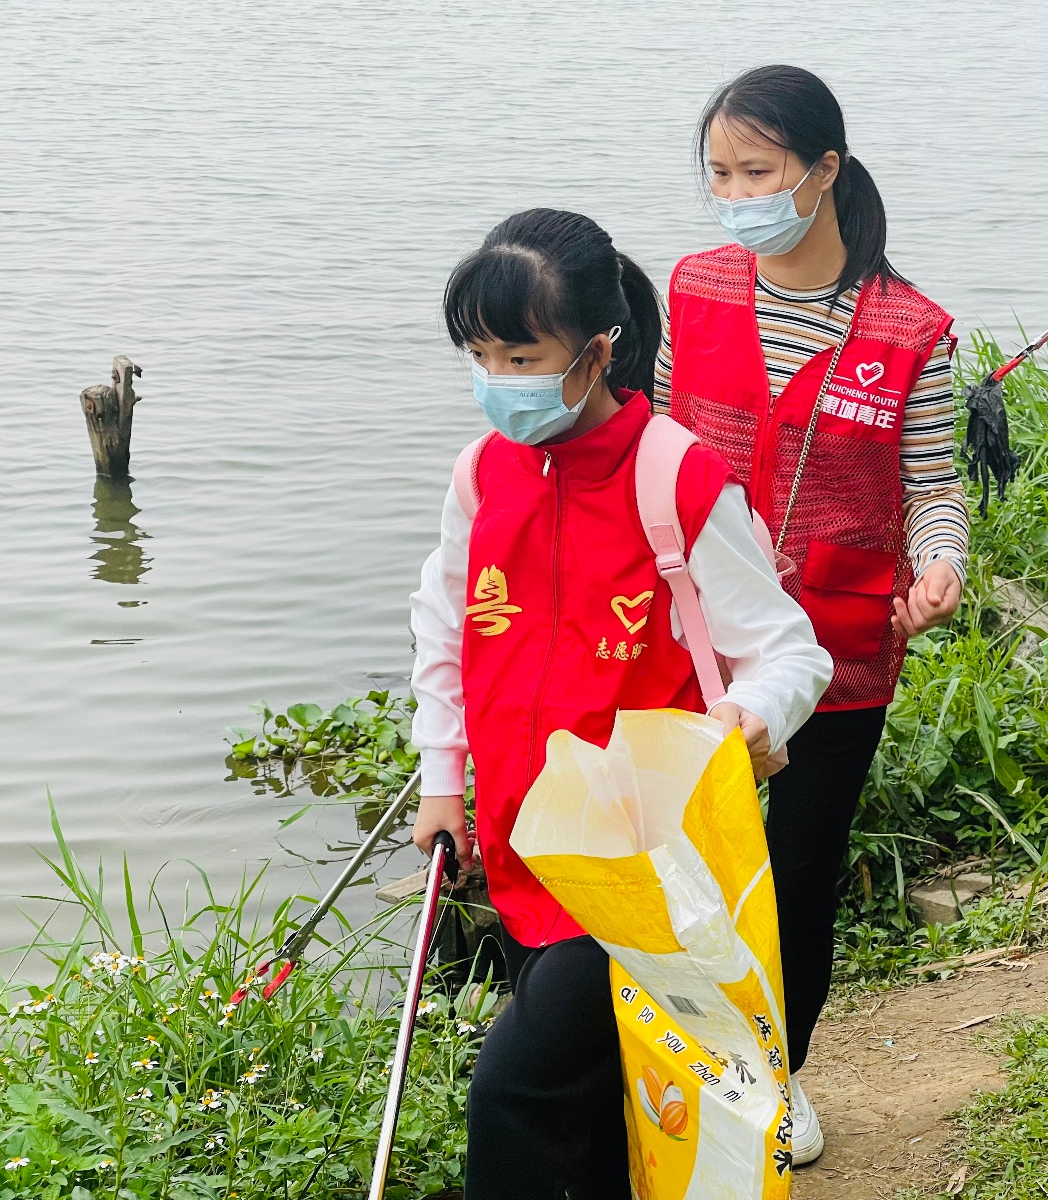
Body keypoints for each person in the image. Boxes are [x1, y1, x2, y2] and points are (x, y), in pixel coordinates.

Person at [407, 208, 832, 1200]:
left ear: (597, 353)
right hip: (523, 845)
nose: (497, 379)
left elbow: (787, 652)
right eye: (478, 354)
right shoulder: (481, 476)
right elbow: (442, 630)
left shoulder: (673, 477)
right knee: (598, 1114)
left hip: (645, 864)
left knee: (512, 1094)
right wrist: (443, 783)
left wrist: (749, 719)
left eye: (522, 354)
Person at [654, 64, 969, 1164]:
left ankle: (775, 1082)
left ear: (824, 170)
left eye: (759, 171)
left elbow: (932, 490)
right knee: (684, 879)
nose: (736, 193)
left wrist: (939, 566)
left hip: (837, 657)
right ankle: (680, 1078)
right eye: (720, 174)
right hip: (694, 646)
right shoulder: (692, 290)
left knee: (794, 879)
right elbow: (641, 447)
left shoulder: (908, 327)